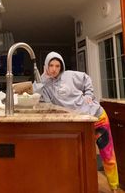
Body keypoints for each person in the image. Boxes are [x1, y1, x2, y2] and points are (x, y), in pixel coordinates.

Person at [33, 51, 119, 193]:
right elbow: (45, 103)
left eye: (57, 66)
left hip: (97, 116)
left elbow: (87, 79)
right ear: (46, 66)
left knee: (107, 154)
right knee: (81, 156)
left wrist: (89, 95)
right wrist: (41, 81)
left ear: (61, 67)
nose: (54, 69)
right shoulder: (45, 84)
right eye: (51, 65)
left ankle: (114, 188)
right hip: (80, 123)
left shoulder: (70, 75)